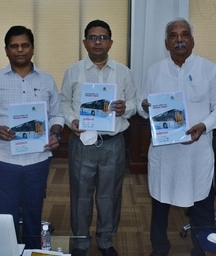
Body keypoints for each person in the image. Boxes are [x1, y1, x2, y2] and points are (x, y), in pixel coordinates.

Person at [138, 18, 216, 256]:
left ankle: (200, 249)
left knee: (201, 205)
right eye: (173, 35)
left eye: (184, 34)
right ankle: (159, 248)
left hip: (196, 154)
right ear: (166, 43)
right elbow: (142, 105)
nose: (179, 39)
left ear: (192, 40)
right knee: (159, 204)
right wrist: (146, 106)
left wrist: (204, 125)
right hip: (164, 153)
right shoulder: (155, 70)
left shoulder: (208, 69)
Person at [0, 25, 64, 249]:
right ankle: (9, 251)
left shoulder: (46, 80)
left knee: (34, 210)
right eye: (14, 46)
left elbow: (57, 115)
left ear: (32, 48)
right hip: (5, 160)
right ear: (6, 50)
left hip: (38, 158)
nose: (20, 50)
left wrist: (55, 133)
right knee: (7, 213)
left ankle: (33, 250)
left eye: (25, 45)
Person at [59, 19, 138, 256]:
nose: (97, 42)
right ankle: (81, 241)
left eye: (102, 37)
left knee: (110, 194)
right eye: (92, 37)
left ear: (111, 42)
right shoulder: (73, 71)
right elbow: (63, 101)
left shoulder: (123, 72)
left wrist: (127, 108)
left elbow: (134, 102)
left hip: (113, 143)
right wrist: (71, 119)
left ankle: (106, 240)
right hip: (82, 142)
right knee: (81, 195)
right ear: (85, 42)